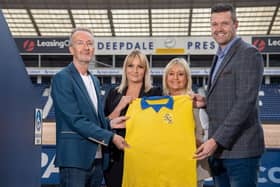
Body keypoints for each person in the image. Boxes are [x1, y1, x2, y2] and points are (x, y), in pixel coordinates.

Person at [193, 3, 265, 187]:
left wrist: (215, 140)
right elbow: (227, 98)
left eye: (224, 23)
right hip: (220, 152)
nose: (219, 29)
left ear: (236, 24)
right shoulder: (220, 55)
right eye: (214, 24)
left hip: (241, 150)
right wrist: (206, 102)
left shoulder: (248, 53)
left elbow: (244, 104)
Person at [51, 27, 129, 187]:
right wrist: (111, 136)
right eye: (80, 43)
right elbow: (76, 120)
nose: (86, 47)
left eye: (90, 43)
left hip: (98, 159)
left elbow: (93, 119)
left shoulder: (94, 80)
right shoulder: (62, 78)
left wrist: (110, 124)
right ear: (71, 49)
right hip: (75, 160)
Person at [103, 50, 162, 187]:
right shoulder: (113, 93)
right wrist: (119, 107)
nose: (135, 70)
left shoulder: (155, 93)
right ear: (125, 69)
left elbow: (160, 125)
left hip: (144, 158)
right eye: (131, 66)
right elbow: (104, 123)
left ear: (145, 70)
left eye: (140, 66)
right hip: (116, 158)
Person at [162, 58, 210, 187]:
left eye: (180, 74)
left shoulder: (197, 102)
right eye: (171, 74)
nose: (175, 78)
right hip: (166, 167)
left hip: (193, 166)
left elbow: (208, 134)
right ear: (166, 78)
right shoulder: (161, 104)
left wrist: (194, 142)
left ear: (187, 78)